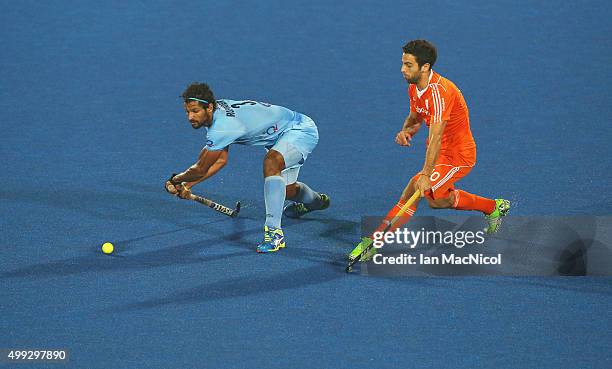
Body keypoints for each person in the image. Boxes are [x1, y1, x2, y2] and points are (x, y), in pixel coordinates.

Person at [349, 39, 510, 260]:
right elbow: (416, 117)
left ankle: (373, 243)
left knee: (415, 188)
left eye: (408, 65)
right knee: (437, 201)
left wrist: (425, 174)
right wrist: (407, 131)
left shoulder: (440, 93)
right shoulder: (414, 88)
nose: (402, 69)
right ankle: (493, 206)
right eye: (403, 64)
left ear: (425, 67)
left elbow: (435, 137)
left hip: (458, 156)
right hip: (441, 152)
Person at [165, 83, 329, 253]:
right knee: (283, 191)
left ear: (209, 107)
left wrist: (175, 180)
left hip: (300, 130)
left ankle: (274, 234)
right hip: (281, 136)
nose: (190, 117)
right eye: (187, 112)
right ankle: (316, 202)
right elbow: (220, 161)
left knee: (271, 162)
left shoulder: (222, 127)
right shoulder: (215, 114)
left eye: (195, 111)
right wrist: (187, 185)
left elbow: (200, 168)